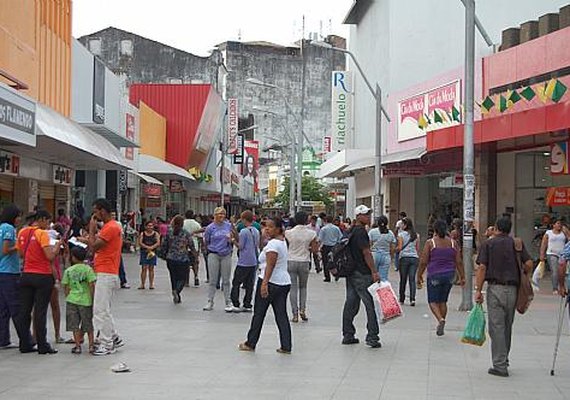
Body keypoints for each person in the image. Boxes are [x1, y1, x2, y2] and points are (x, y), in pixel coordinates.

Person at [475, 217, 532, 377]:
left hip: (495, 289)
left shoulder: (489, 244)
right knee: (507, 325)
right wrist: (521, 271)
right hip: (513, 290)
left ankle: (500, 365)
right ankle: (504, 359)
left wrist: (478, 290)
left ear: (497, 228)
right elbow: (528, 264)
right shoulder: (517, 244)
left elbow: (482, 268)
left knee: (496, 327)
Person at [239, 217, 292, 354]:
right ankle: (286, 344)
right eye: (266, 227)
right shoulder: (282, 241)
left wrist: (264, 283)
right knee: (281, 315)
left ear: (279, 229)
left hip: (271, 282)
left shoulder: (273, 244)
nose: (267, 229)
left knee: (259, 314)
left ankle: (251, 342)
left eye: (270, 227)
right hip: (283, 282)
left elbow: (271, 264)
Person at [16, 210, 64, 354]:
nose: (49, 225)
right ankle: (42, 345)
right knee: (40, 311)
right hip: (42, 276)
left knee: (24, 311)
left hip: (26, 274)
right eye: (48, 222)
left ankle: (24, 343)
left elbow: (20, 253)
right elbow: (49, 256)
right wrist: (57, 246)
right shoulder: (41, 233)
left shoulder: (22, 232)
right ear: (42, 219)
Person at [342, 205, 381, 348]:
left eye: (368, 215)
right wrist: (374, 271)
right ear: (358, 216)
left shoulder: (350, 230)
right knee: (369, 304)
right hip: (362, 273)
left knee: (351, 303)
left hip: (351, 272)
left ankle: (348, 334)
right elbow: (366, 253)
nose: (368, 217)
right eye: (365, 215)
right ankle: (372, 336)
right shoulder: (361, 232)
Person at [88, 199, 124, 356]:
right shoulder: (112, 227)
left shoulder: (110, 227)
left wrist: (91, 231)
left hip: (106, 271)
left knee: (100, 309)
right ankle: (113, 335)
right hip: (106, 270)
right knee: (104, 308)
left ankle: (106, 342)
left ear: (102, 211)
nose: (95, 215)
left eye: (96, 211)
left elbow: (94, 246)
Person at [417, 220, 465, 336]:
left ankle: (440, 319)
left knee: (433, 301)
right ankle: (442, 319)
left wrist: (419, 275)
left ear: (435, 230)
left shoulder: (431, 243)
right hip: (449, 275)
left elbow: (423, 261)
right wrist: (462, 276)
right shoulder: (453, 243)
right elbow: (458, 261)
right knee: (443, 300)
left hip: (434, 274)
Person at [61, 246, 96, 354]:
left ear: (73, 258)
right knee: (88, 324)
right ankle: (91, 346)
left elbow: (66, 286)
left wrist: (67, 296)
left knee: (74, 325)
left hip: (72, 300)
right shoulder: (88, 269)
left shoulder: (68, 271)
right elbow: (91, 285)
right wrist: (92, 298)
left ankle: (77, 346)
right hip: (86, 301)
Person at [285, 211, 318, 323]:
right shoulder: (311, 233)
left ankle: (294, 314)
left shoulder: (288, 233)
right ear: (306, 220)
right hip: (304, 261)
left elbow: (286, 246)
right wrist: (307, 248)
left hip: (291, 260)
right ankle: (303, 310)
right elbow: (314, 250)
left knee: (293, 288)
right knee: (303, 287)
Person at [0, 204, 24, 349]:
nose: (19, 219)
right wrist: (18, 246)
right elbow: (6, 249)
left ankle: (3, 339)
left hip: (1, 271)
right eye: (18, 216)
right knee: (15, 306)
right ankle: (26, 339)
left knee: (3, 308)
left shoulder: (1, 227)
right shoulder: (9, 229)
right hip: (9, 271)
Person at [203, 207, 236, 312]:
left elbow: (235, 237)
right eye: (219, 214)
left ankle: (228, 301)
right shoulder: (210, 228)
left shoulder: (229, 226)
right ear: (215, 215)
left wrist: (231, 240)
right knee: (213, 279)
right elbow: (206, 241)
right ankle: (210, 301)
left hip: (226, 254)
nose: (221, 216)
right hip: (213, 254)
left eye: (223, 214)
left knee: (226, 280)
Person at [230, 210, 260, 312]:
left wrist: (233, 241)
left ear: (244, 219)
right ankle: (247, 303)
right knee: (249, 284)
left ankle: (235, 303)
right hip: (253, 261)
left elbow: (241, 246)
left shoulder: (244, 231)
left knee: (236, 282)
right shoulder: (256, 231)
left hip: (243, 261)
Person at [162, 215, 196, 304]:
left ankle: (174, 290)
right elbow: (191, 245)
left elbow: (164, 245)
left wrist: (164, 255)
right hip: (182, 258)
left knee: (173, 277)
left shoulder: (169, 232)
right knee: (183, 278)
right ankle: (177, 291)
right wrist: (195, 255)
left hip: (171, 258)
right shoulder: (185, 233)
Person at [540, 217, 567, 294]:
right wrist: (542, 254)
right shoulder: (548, 233)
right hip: (551, 254)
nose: (559, 225)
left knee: (562, 272)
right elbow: (544, 244)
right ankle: (555, 288)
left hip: (562, 254)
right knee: (554, 271)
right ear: (553, 225)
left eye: (560, 224)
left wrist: (566, 231)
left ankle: (561, 286)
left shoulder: (563, 232)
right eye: (558, 223)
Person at [397, 217, 420, 306]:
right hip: (414, 258)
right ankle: (412, 299)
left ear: (405, 225)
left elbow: (399, 247)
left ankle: (402, 298)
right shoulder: (416, 235)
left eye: (402, 224)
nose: (401, 226)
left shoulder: (401, 235)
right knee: (412, 279)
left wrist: (394, 250)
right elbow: (417, 249)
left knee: (403, 279)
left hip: (404, 258)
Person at [368, 215, 396, 282]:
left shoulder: (372, 232)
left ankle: (373, 291)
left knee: (373, 275)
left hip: (374, 255)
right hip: (386, 255)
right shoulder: (390, 233)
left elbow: (369, 244)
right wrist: (391, 256)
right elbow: (392, 247)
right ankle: (382, 291)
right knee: (383, 278)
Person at [318, 215, 343, 282]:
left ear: (325, 220)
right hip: (334, 247)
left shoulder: (323, 229)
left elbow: (320, 239)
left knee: (325, 262)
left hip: (326, 247)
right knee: (335, 261)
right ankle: (337, 274)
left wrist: (319, 247)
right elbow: (340, 238)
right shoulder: (336, 228)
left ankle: (327, 277)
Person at [183, 210, 203, 287]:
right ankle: (196, 276)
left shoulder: (183, 223)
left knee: (186, 263)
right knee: (195, 262)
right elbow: (200, 237)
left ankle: (186, 281)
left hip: (184, 246)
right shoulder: (196, 224)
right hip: (194, 246)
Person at [138, 221, 160, 290]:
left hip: (152, 253)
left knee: (151, 268)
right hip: (144, 252)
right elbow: (140, 242)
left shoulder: (156, 234)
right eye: (148, 226)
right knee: (144, 268)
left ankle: (151, 284)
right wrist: (147, 247)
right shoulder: (142, 234)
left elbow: (158, 242)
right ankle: (142, 284)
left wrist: (152, 247)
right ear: (145, 226)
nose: (150, 227)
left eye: (151, 226)